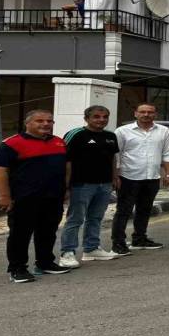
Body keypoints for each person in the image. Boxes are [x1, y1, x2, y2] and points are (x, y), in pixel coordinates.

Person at [0, 110, 71, 283]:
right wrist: (4, 196)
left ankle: (45, 263)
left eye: (49, 121)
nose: (46, 124)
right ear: (27, 123)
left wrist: (65, 189)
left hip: (53, 197)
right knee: (20, 234)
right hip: (24, 198)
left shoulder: (59, 142)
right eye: (40, 121)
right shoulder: (12, 144)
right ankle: (17, 268)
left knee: (48, 232)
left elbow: (67, 167)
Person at [58, 106, 121, 269]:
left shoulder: (110, 136)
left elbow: (112, 158)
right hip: (81, 184)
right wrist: (65, 186)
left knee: (96, 217)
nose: (101, 120)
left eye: (105, 117)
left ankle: (91, 249)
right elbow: (65, 160)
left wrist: (114, 177)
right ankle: (67, 252)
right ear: (87, 118)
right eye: (96, 117)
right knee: (75, 219)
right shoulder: (76, 134)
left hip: (104, 184)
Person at [113, 103, 169, 255]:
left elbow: (167, 153)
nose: (146, 115)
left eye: (150, 112)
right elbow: (116, 155)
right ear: (136, 113)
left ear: (155, 114)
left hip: (152, 177)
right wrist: (116, 176)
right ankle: (118, 243)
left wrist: (168, 174)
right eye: (143, 112)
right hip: (128, 177)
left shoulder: (163, 131)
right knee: (124, 211)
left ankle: (139, 238)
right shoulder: (122, 131)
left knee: (145, 209)